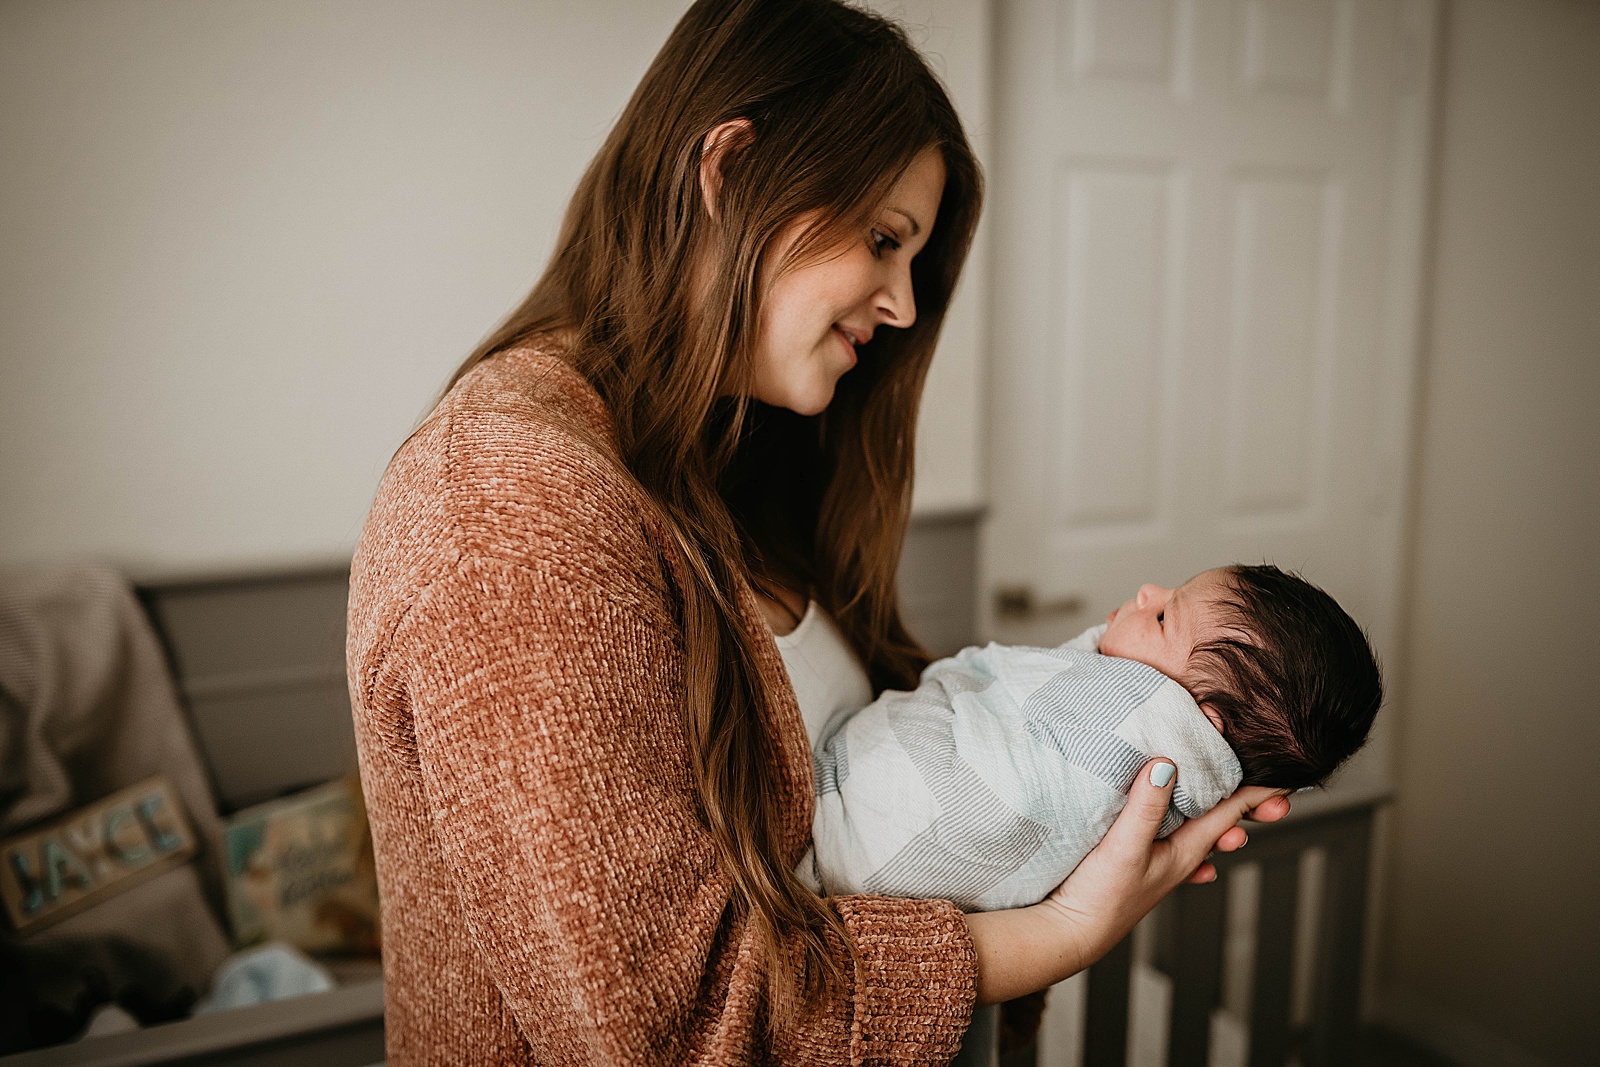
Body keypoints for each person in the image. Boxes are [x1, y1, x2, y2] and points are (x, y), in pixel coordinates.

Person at [345, 0, 1290, 1062]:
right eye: (883, 240)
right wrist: (1056, 934)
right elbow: (665, 1025)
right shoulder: (506, 499)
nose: (898, 306)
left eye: (913, 261)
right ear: (730, 169)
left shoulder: (727, 463)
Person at [803, 564, 1381, 909]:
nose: (1148, 592)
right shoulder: (1146, 740)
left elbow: (1012, 791)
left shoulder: (1139, 735)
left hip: (844, 832)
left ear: (1196, 722)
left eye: (1162, 619)